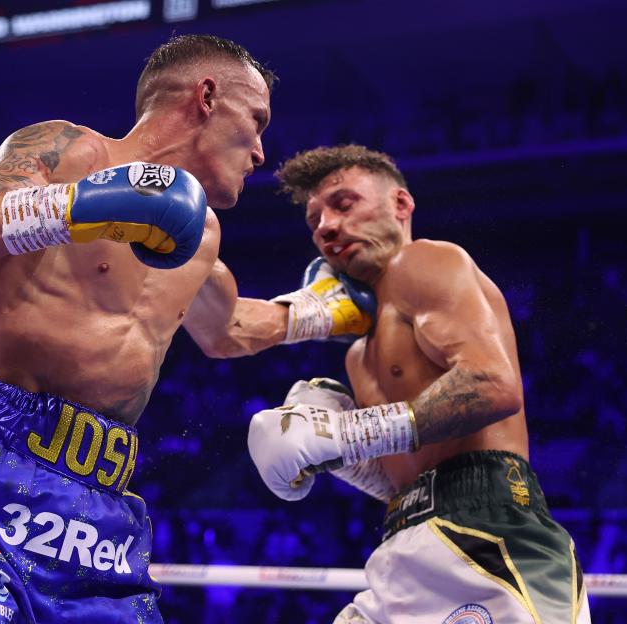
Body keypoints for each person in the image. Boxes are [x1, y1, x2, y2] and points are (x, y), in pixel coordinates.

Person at [0, 35, 374, 624]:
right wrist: (84, 205)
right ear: (207, 97)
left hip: (101, 505)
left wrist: (330, 310)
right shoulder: (73, 152)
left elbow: (230, 328)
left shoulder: (201, 236)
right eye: (257, 120)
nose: (262, 152)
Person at [235, 145, 591, 623]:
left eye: (343, 204)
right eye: (314, 220)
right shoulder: (359, 355)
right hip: (400, 548)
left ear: (400, 204)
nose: (326, 227)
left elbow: (493, 384)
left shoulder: (426, 261)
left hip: (489, 537)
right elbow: (405, 476)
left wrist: (347, 434)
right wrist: (339, 457)